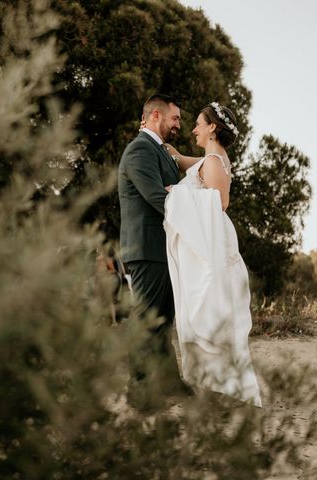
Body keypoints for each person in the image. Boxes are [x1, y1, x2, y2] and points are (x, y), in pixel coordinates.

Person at [163, 102, 262, 407]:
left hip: (213, 242)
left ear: (212, 128)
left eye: (198, 124)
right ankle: (216, 386)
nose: (193, 129)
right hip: (208, 240)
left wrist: (176, 194)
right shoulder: (210, 158)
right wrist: (169, 150)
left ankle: (225, 390)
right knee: (206, 310)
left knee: (210, 309)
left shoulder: (215, 161)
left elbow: (219, 204)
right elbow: (187, 164)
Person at [117, 94, 192, 405]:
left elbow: (171, 192)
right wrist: (196, 222)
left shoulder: (160, 152)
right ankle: (137, 391)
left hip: (163, 250)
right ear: (157, 115)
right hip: (146, 248)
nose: (179, 124)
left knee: (162, 321)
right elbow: (157, 198)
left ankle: (168, 383)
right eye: (175, 118)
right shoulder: (139, 150)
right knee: (146, 321)